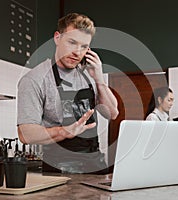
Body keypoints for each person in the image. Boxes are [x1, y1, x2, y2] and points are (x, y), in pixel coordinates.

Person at [17, 13, 119, 173]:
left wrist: (99, 78)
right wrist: (64, 132)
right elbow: (25, 134)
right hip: (58, 170)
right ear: (57, 38)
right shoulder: (34, 79)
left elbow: (112, 113)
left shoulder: (88, 74)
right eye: (72, 42)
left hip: (95, 166)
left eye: (84, 47)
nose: (77, 52)